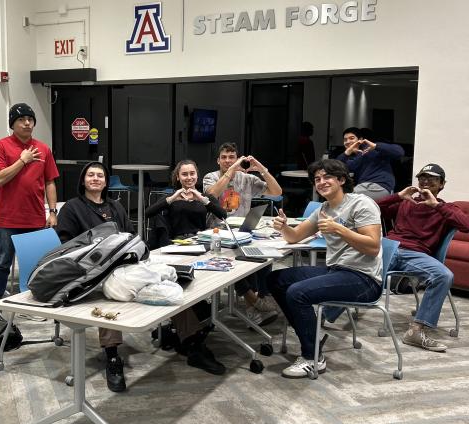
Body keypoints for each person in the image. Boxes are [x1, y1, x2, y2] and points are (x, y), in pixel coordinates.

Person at [268, 159, 383, 378]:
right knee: (276, 280)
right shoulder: (324, 209)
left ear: (341, 180)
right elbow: (295, 237)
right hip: (336, 270)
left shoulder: (361, 204)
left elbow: (373, 247)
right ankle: (310, 334)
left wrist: (339, 229)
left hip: (364, 279)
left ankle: (312, 357)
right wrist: (284, 227)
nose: (321, 182)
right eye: (317, 179)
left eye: (327, 177)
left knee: (297, 292)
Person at [378, 163, 469, 351]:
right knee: (352, 261)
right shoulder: (406, 202)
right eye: (422, 177)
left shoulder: (446, 208)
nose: (425, 181)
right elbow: (371, 208)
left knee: (444, 275)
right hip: (388, 246)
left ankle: (416, 329)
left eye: (432, 178)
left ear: (442, 184)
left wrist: (437, 206)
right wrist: (397, 196)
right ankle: (325, 315)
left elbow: (467, 225)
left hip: (414, 254)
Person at [55, 162, 133, 392]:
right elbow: (65, 245)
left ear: (106, 182)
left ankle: (182, 335)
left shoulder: (116, 207)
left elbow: (129, 233)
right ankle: (112, 355)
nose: (96, 178)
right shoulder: (72, 208)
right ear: (83, 180)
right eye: (91, 175)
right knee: (109, 294)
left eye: (100, 175)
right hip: (86, 271)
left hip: (120, 264)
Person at [145, 160, 227, 375]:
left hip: (201, 247)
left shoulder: (203, 197)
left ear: (197, 176)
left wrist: (203, 200)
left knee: (204, 288)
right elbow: (148, 212)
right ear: (178, 177)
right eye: (184, 174)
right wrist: (172, 199)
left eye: (192, 174)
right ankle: (192, 339)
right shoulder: (170, 197)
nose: (189, 178)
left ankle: (191, 331)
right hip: (176, 248)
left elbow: (222, 214)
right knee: (186, 289)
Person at [202, 142, 283, 326]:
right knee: (239, 261)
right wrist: (231, 170)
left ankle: (260, 299)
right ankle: (254, 305)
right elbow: (212, 195)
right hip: (218, 232)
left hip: (244, 232)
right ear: (218, 160)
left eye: (232, 157)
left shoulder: (247, 178)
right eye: (224, 157)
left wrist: (261, 169)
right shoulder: (210, 177)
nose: (228, 161)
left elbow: (277, 192)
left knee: (262, 256)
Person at [0, 102, 59, 305]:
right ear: (12, 124)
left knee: (37, 265)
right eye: (21, 120)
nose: (27, 123)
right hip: (8, 219)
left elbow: (49, 182)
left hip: (35, 218)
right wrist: (23, 160)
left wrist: (52, 212)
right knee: (2, 263)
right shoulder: (0, 146)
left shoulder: (43, 149)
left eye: (30, 119)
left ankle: (36, 303)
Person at [336, 127, 403, 201]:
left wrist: (376, 146)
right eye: (345, 140)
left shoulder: (373, 149)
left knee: (343, 200)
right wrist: (347, 152)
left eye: (351, 138)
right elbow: (334, 168)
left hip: (377, 186)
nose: (348, 141)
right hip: (363, 188)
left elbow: (399, 152)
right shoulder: (354, 158)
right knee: (338, 197)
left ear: (360, 140)